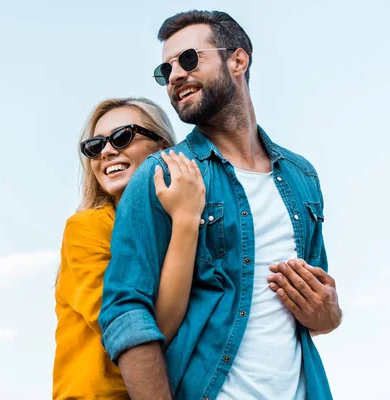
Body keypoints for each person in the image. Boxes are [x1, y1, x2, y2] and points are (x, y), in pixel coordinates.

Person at [99, 10, 341, 400]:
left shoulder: (302, 176)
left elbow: (313, 308)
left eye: (189, 59)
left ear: (238, 61)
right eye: (166, 70)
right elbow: (125, 312)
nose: (175, 74)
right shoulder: (160, 175)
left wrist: (330, 315)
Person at [52, 97, 206, 399]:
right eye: (95, 147)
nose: (107, 151)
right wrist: (187, 222)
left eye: (122, 137)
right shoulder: (87, 227)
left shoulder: (188, 228)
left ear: (162, 147)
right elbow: (138, 330)